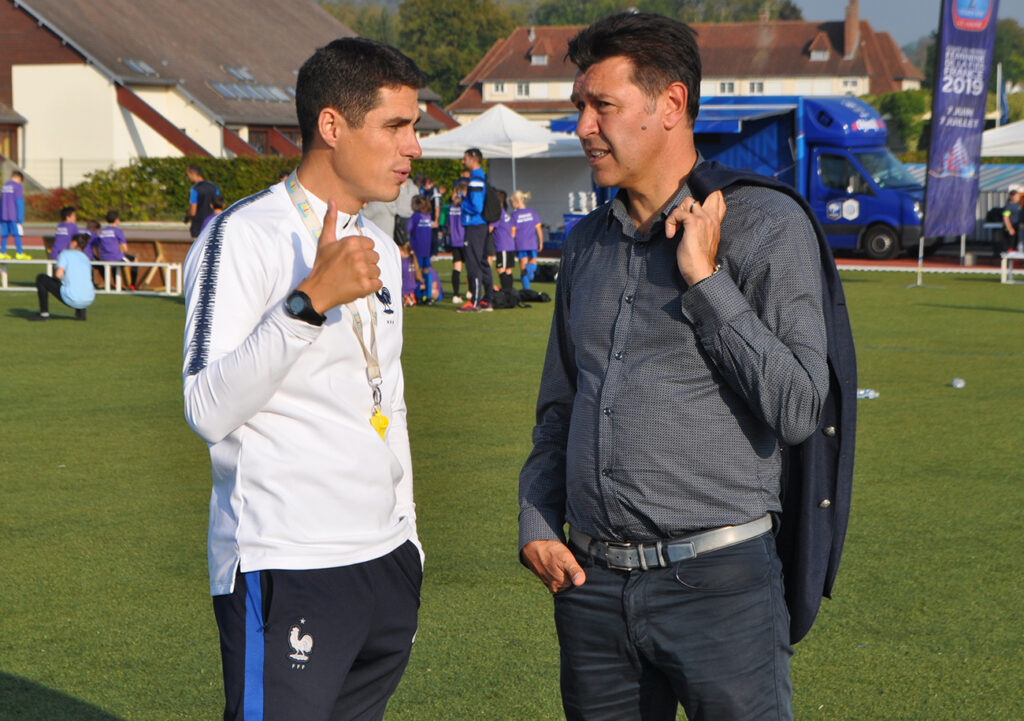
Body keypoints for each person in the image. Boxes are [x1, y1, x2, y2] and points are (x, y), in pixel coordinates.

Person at [518, 13, 830, 721]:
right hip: (591, 588)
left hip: (721, 586)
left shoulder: (765, 225)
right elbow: (560, 408)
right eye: (580, 107)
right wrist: (537, 514)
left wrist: (706, 282)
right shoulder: (586, 245)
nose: (584, 127)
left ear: (671, 105)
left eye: (603, 106)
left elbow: (800, 405)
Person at [182, 37, 425, 721]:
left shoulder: (380, 245)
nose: (413, 147)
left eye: (416, 127)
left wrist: (409, 541)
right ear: (331, 125)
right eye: (396, 126)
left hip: (383, 562)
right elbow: (206, 407)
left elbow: (387, 399)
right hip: (288, 562)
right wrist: (306, 302)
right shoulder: (244, 236)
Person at [457, 147, 493, 311]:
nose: (463, 162)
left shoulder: (476, 179)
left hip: (474, 225)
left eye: (465, 158)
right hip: (481, 226)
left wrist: (463, 202)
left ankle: (476, 302)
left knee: (474, 263)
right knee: (483, 262)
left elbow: (476, 206)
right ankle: (487, 299)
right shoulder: (481, 177)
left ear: (473, 159)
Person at [31, 231, 95, 321]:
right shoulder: (86, 258)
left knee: (41, 278)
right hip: (88, 299)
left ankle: (44, 314)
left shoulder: (65, 254)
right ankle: (81, 314)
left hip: (72, 298)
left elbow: (58, 275)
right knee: (78, 282)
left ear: (74, 243)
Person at [510, 190, 543, 290]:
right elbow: (538, 229)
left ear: (517, 201)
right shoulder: (532, 212)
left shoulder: (514, 215)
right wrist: (541, 242)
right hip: (532, 243)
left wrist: (510, 245)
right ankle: (530, 273)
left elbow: (513, 233)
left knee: (523, 269)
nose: (511, 205)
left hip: (520, 244)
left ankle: (526, 289)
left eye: (512, 202)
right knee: (533, 264)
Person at [97, 210, 137, 289]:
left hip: (103, 257)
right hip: (115, 257)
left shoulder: (101, 231)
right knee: (134, 260)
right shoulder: (118, 231)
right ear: (116, 220)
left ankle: (115, 283)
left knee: (115, 261)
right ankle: (133, 285)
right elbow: (125, 248)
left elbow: (98, 246)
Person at [185, 164, 220, 239]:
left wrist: (186, 218)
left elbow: (192, 212)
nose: (188, 177)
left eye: (188, 175)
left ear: (192, 173)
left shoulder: (194, 189)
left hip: (198, 226)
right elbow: (218, 205)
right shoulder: (214, 187)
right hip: (212, 225)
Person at [491, 190, 515, 293]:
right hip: (509, 245)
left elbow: (491, 228)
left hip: (503, 245)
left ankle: (506, 292)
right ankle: (509, 291)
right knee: (508, 270)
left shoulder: (498, 213)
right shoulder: (505, 212)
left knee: (501, 269)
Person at [1, 171, 29, 260]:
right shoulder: (17, 186)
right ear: (19, 178)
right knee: (17, 234)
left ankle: (2, 252)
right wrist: (20, 217)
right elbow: (19, 202)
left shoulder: (4, 186)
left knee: (4, 234)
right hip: (13, 215)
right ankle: (19, 253)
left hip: (3, 214)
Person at [448, 180, 467, 303]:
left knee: (457, 268)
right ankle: (471, 292)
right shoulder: (464, 206)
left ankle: (456, 295)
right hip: (465, 240)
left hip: (454, 240)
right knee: (471, 267)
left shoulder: (451, 206)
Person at [406, 194, 433, 271]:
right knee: (427, 269)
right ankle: (428, 283)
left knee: (418, 270)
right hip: (427, 247)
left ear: (416, 205)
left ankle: (419, 283)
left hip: (417, 247)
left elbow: (408, 229)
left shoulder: (415, 216)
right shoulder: (428, 216)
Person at [1000, 189, 1021, 254]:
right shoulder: (1009, 206)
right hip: (1009, 228)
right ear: (1011, 196)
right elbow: (1005, 217)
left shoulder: (1018, 205)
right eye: (1016, 196)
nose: (1018, 198)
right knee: (1010, 246)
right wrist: (1010, 228)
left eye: (1018, 196)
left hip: (1016, 227)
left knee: (1015, 246)